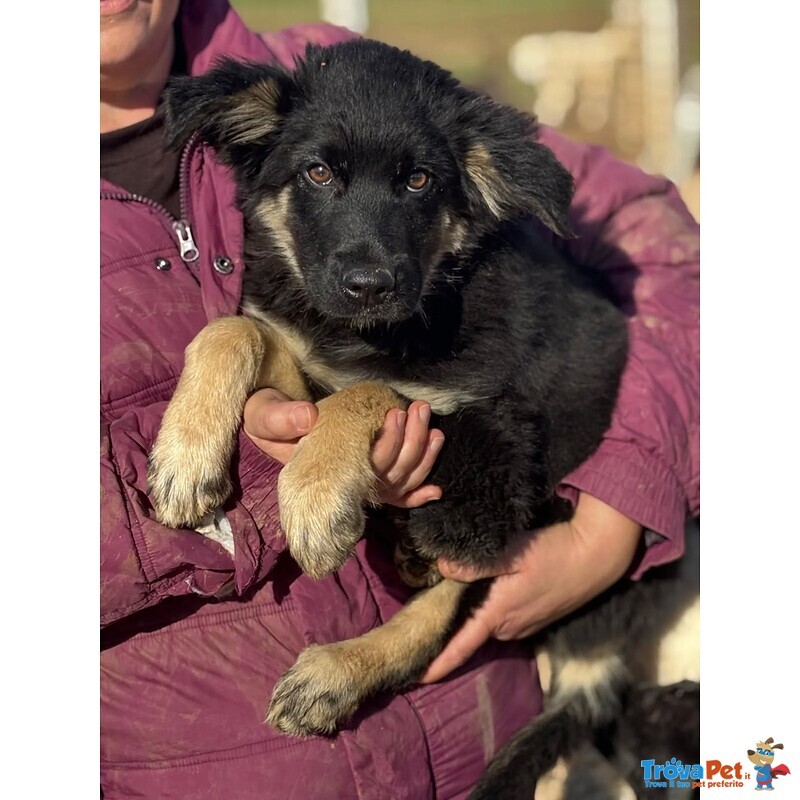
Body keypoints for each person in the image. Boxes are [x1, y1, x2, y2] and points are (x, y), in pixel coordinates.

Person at [99, 0, 700, 797]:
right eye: (320, 175)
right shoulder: (261, 111)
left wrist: (615, 513)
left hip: (482, 710)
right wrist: (251, 443)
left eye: (416, 181)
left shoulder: (347, 77)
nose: (367, 262)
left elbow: (651, 241)